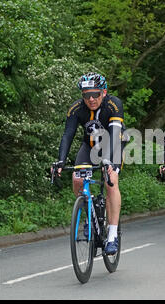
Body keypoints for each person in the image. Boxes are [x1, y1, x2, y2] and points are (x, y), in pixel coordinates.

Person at [53, 72, 126, 255]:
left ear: (104, 92)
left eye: (95, 94)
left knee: (111, 180)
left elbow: (115, 133)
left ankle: (112, 234)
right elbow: (68, 134)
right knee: (77, 179)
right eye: (86, 95)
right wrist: (61, 160)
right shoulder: (76, 108)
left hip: (113, 143)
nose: (91, 99)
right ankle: (89, 214)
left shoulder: (114, 104)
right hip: (90, 146)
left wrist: (109, 160)